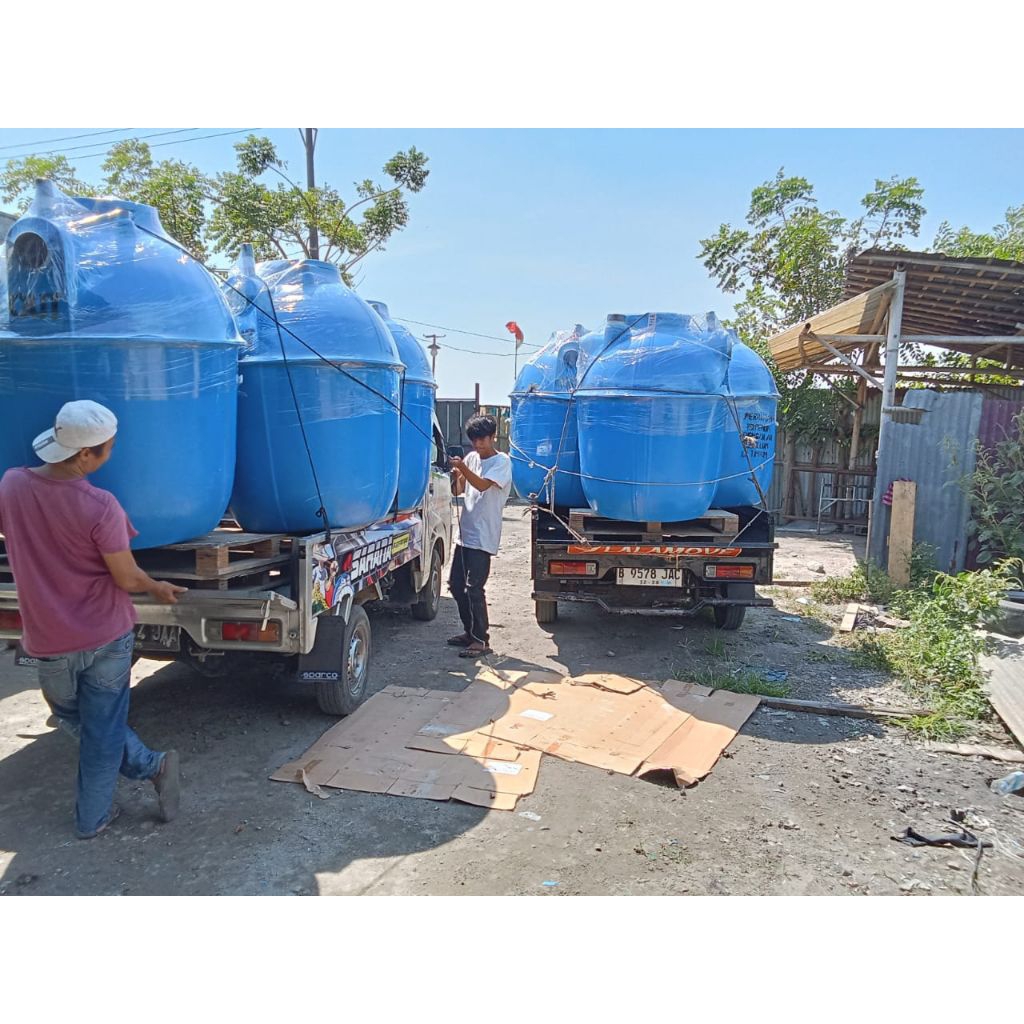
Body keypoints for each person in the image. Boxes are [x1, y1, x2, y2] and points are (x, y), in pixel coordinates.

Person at [0, 400, 186, 839]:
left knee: (73, 715)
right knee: (100, 726)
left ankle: (104, 805)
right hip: (105, 635)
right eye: (109, 448)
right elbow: (126, 577)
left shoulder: (11, 485)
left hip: (47, 637)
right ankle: (142, 773)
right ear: (86, 454)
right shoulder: (101, 506)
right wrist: (157, 586)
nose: (112, 454)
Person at [447, 414, 512, 659]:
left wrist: (463, 468)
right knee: (456, 586)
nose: (477, 444)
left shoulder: (502, 462)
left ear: (493, 437)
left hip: (484, 535)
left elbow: (483, 485)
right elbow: (458, 490)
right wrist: (456, 474)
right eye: (474, 440)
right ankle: (470, 632)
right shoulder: (472, 458)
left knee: (474, 588)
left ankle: (481, 640)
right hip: (465, 533)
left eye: (482, 439)